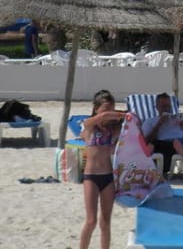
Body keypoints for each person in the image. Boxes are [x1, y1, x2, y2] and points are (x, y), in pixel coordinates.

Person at [79, 90, 125, 249]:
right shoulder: (89, 127)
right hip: (91, 177)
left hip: (108, 177)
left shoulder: (115, 130)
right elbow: (97, 119)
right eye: (105, 109)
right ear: (96, 109)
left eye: (111, 109)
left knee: (105, 222)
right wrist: (118, 114)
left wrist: (125, 118)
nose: (109, 114)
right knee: (91, 221)